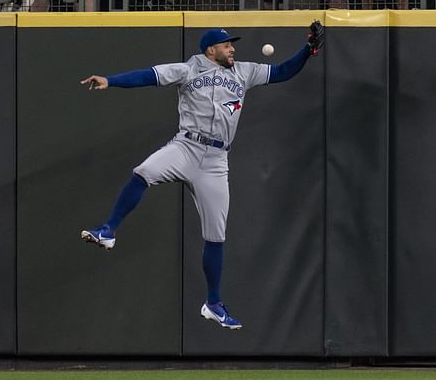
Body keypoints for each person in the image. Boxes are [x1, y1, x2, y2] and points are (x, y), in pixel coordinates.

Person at [79, 23, 324, 330]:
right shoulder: (188, 69)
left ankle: (214, 303)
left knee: (216, 234)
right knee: (144, 172)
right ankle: (108, 230)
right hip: (187, 147)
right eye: (227, 45)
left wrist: (308, 50)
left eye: (231, 45)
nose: (232, 48)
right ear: (211, 50)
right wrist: (110, 81)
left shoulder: (244, 72)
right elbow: (148, 75)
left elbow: (283, 71)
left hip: (216, 161)